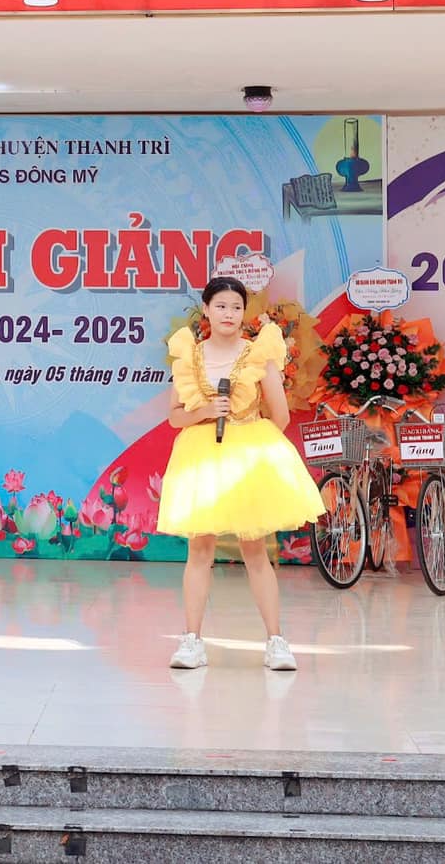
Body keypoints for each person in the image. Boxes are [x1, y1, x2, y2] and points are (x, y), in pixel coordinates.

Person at [157, 276, 325, 672]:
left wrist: (250, 442)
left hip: (247, 458)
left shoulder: (258, 354)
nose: (228, 314)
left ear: (244, 312)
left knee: (255, 550)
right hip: (201, 457)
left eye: (236, 307)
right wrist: (204, 412)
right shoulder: (188, 355)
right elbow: (175, 416)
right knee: (200, 550)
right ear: (207, 310)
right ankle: (192, 641)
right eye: (221, 306)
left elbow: (279, 416)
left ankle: (276, 641)